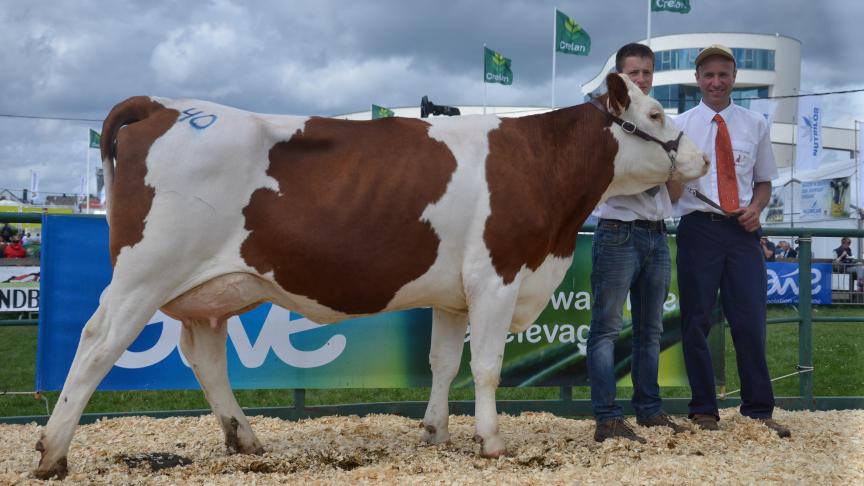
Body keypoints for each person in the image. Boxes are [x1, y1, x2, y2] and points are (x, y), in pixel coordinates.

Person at [671, 44, 790, 437]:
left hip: (742, 232)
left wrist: (757, 208)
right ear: (698, 80)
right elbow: (669, 187)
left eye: (724, 75)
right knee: (696, 323)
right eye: (709, 75)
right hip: (698, 229)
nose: (716, 82)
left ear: (734, 78)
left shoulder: (755, 124)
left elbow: (764, 182)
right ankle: (703, 409)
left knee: (750, 322)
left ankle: (759, 410)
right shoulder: (680, 125)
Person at [587, 42, 687, 444]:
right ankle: (607, 418)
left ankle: (649, 410)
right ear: (620, 77)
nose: (642, 78)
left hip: (656, 232)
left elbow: (677, 193)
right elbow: (602, 181)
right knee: (606, 329)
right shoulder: (603, 122)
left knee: (650, 330)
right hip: (617, 231)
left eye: (647, 71)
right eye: (634, 72)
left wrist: (666, 168)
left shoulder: (664, 121)